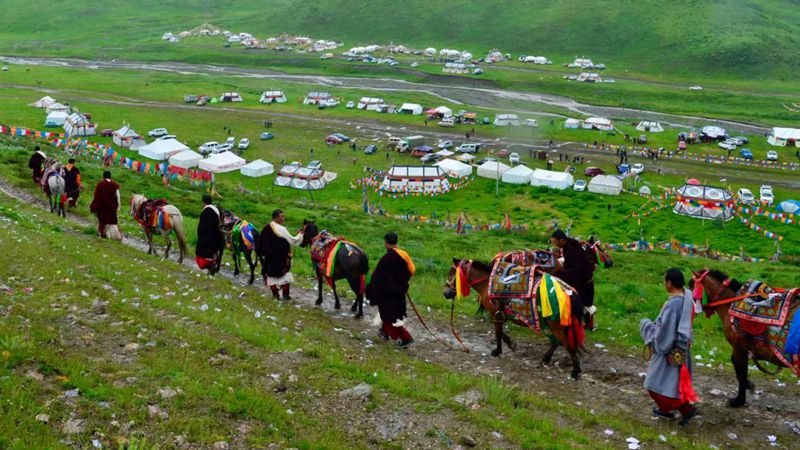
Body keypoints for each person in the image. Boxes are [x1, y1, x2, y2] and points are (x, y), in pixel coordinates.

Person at [640, 269, 698, 426]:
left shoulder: (673, 305)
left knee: (653, 384)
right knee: (673, 384)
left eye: (664, 280)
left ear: (669, 283)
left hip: (669, 350)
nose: (663, 282)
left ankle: (685, 409)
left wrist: (647, 327)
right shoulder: (687, 298)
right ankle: (666, 410)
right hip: (682, 348)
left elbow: (664, 333)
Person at [367, 232, 415, 348]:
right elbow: (412, 270)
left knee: (388, 316)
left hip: (388, 294)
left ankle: (406, 338)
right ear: (396, 242)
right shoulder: (403, 254)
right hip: (399, 292)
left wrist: (371, 290)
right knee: (393, 314)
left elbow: (377, 278)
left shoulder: (385, 259)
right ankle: (384, 332)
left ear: (386, 242)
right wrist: (402, 282)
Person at [551, 229, 595, 329]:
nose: (555, 245)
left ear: (562, 240)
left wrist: (559, 273)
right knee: (585, 303)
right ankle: (585, 324)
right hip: (581, 276)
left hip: (582, 279)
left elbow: (576, 268)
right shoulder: (570, 245)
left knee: (582, 302)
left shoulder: (571, 248)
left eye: (556, 242)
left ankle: (581, 324)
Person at [258, 209, 303, 300]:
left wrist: (265, 253)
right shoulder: (282, 229)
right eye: (282, 216)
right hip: (281, 258)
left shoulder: (266, 227)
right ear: (276, 217)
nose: (283, 218)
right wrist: (300, 234)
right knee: (284, 275)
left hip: (269, 258)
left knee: (271, 275)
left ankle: (275, 295)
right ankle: (285, 295)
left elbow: (260, 243)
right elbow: (293, 240)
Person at [195, 195, 224, 274]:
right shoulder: (216, 210)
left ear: (203, 202)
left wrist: (200, 236)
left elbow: (202, 227)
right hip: (216, 237)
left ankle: (210, 268)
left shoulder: (205, 212)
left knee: (203, 253)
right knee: (213, 253)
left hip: (207, 237)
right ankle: (213, 267)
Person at [89, 171, 120, 238]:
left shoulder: (100, 184)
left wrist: (94, 205)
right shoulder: (114, 185)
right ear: (110, 176)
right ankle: (110, 234)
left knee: (102, 221)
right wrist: (117, 206)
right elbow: (117, 196)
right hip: (111, 207)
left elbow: (96, 195)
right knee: (111, 221)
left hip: (102, 207)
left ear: (103, 176)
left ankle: (101, 233)